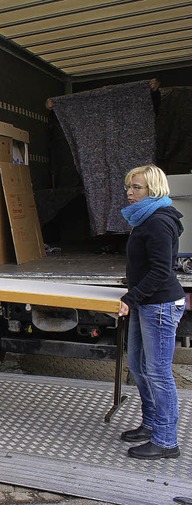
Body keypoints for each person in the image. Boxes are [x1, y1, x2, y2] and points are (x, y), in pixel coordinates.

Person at [118, 164, 185, 460]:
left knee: (158, 373)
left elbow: (161, 270)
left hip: (159, 305)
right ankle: (151, 424)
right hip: (147, 302)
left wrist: (131, 297)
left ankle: (167, 440)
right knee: (138, 365)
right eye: (129, 187)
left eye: (137, 187)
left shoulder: (158, 221)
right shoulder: (145, 218)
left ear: (154, 190)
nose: (130, 193)